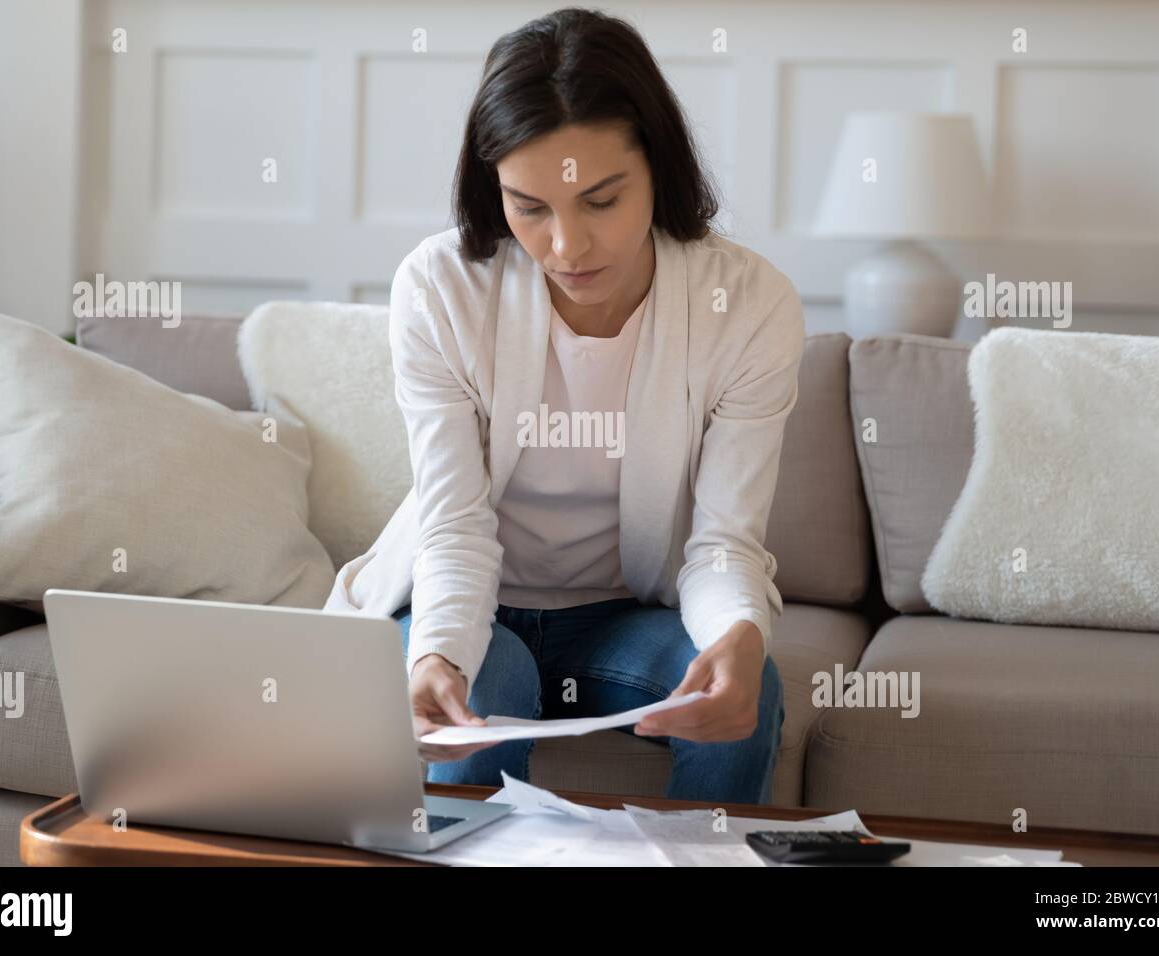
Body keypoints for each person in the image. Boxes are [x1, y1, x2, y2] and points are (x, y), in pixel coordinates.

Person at [325, 7, 805, 805]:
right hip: (472, 604)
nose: (567, 249)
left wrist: (738, 637)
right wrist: (438, 654)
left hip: (622, 616)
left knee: (749, 703)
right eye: (531, 207)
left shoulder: (747, 304)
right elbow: (454, 523)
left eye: (602, 200)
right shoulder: (441, 289)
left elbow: (723, 542)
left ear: (658, 166)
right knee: (477, 693)